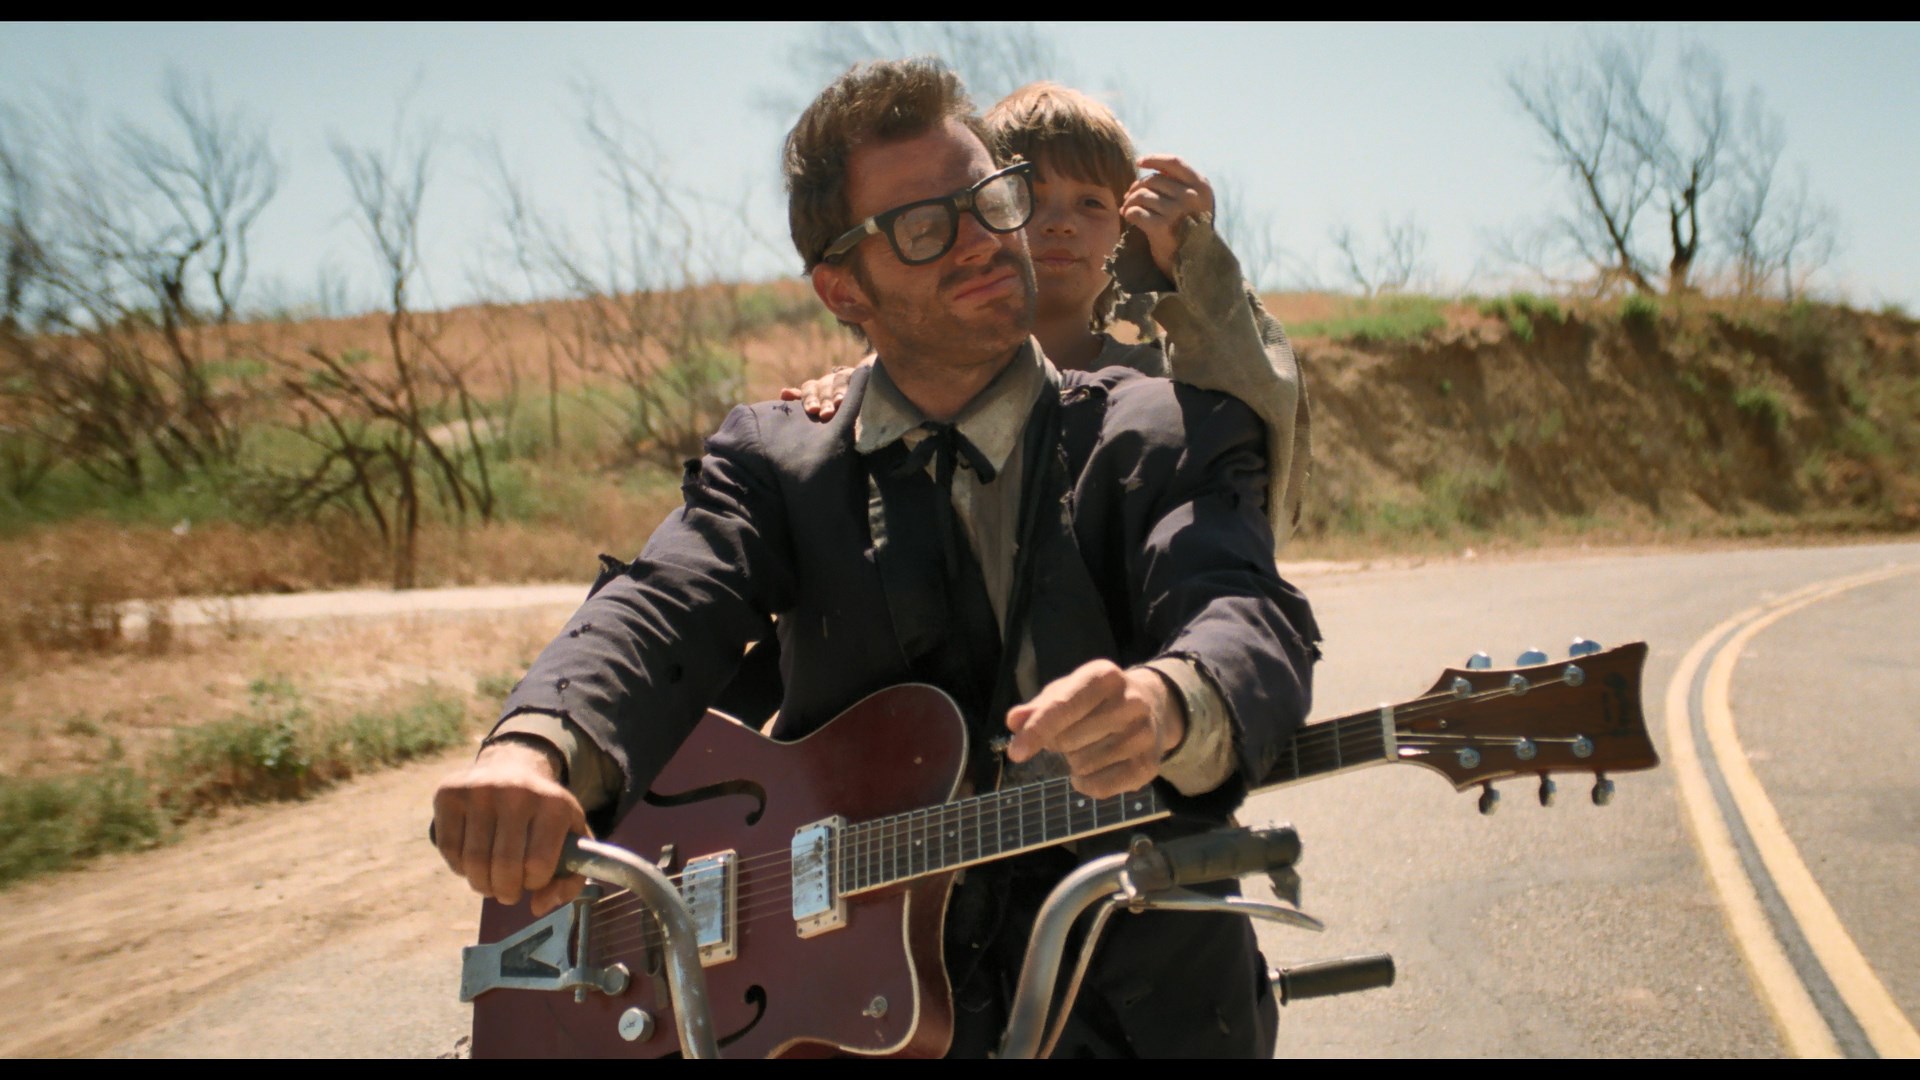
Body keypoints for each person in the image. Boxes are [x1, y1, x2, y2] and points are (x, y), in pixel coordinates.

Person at [432, 59, 1320, 1058]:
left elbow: (1244, 611)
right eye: (924, 226)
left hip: (1145, 1002)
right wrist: (536, 746)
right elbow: (663, 605)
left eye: (991, 197)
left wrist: (1171, 700)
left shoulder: (1163, 429)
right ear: (842, 287)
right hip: (842, 1006)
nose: (984, 238)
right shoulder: (778, 459)